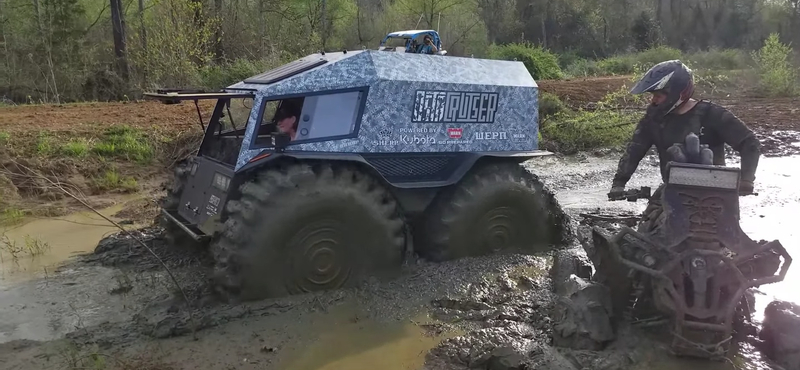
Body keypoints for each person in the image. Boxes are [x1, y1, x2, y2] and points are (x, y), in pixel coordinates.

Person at [609, 60, 761, 211]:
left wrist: (746, 180)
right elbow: (635, 149)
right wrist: (619, 183)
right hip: (674, 195)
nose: (654, 100)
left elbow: (749, 142)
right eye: (653, 95)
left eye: (658, 95)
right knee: (650, 222)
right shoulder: (653, 119)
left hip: (715, 196)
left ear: (677, 93)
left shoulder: (712, 114)